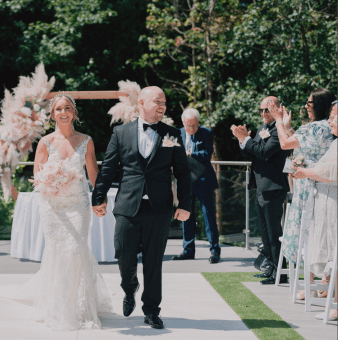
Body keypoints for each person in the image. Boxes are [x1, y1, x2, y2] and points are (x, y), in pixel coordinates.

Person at [0, 93, 112, 330]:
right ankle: (59, 306)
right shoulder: (45, 143)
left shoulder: (86, 140)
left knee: (76, 250)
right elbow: (38, 178)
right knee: (59, 253)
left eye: (67, 108)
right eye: (58, 109)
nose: (63, 113)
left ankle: (78, 305)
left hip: (78, 205)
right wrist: (52, 183)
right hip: (53, 207)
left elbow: (94, 174)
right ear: (52, 114)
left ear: (74, 113)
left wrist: (101, 199)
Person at [92, 86, 192, 329]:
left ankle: (151, 310)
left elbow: (183, 172)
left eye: (164, 103)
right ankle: (129, 288)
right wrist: (98, 197)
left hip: (160, 208)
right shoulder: (120, 132)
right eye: (157, 102)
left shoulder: (173, 134)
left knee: (154, 262)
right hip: (127, 206)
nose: (162, 106)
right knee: (123, 255)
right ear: (142, 104)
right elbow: (107, 168)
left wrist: (185, 204)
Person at [267, 88, 335, 289]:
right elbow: (302, 144)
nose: (306, 107)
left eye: (309, 103)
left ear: (320, 105)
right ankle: (320, 282)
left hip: (310, 186)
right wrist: (287, 127)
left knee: (307, 235)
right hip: (320, 185)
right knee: (316, 235)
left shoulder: (318, 127)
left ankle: (312, 286)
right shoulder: (325, 127)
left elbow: (286, 144)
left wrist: (278, 120)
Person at [231, 96, 291, 285]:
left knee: (274, 233)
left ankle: (280, 272)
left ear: (276, 109)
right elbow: (251, 152)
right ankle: (271, 268)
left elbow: (264, 152)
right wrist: (242, 140)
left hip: (273, 187)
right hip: (260, 186)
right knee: (265, 234)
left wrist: (246, 139)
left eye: (267, 109)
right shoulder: (262, 129)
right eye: (261, 110)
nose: (263, 113)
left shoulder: (277, 131)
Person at [288, 107, 337, 320]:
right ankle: (334, 302)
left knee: (334, 252)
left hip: (333, 202)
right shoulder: (335, 143)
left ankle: (335, 305)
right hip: (326, 201)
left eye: (334, 118)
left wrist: (304, 172)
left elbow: (330, 174)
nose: (331, 121)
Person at [173, 108, 220, 263]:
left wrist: (190, 154)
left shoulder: (206, 133)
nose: (192, 129)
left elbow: (207, 154)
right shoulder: (176, 133)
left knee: (208, 216)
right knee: (186, 216)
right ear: (183, 123)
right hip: (186, 182)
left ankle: (214, 250)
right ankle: (188, 250)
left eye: (194, 125)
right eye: (188, 126)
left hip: (203, 181)